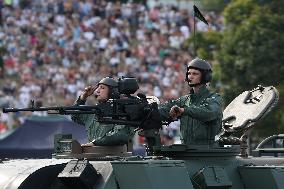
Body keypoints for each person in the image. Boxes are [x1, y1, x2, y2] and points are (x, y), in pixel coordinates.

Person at [159, 58, 223, 146]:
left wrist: (184, 110)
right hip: (187, 152)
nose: (190, 76)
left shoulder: (214, 98)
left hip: (208, 153)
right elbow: (165, 109)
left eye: (195, 74)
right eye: (189, 73)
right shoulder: (184, 100)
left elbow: (209, 112)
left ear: (205, 77)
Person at [71, 77, 134, 147]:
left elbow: (120, 136)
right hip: (93, 154)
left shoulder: (120, 112)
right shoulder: (94, 112)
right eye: (98, 88)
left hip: (114, 155)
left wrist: (95, 143)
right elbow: (74, 116)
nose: (97, 91)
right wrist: (83, 98)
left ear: (112, 91)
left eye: (102, 88)